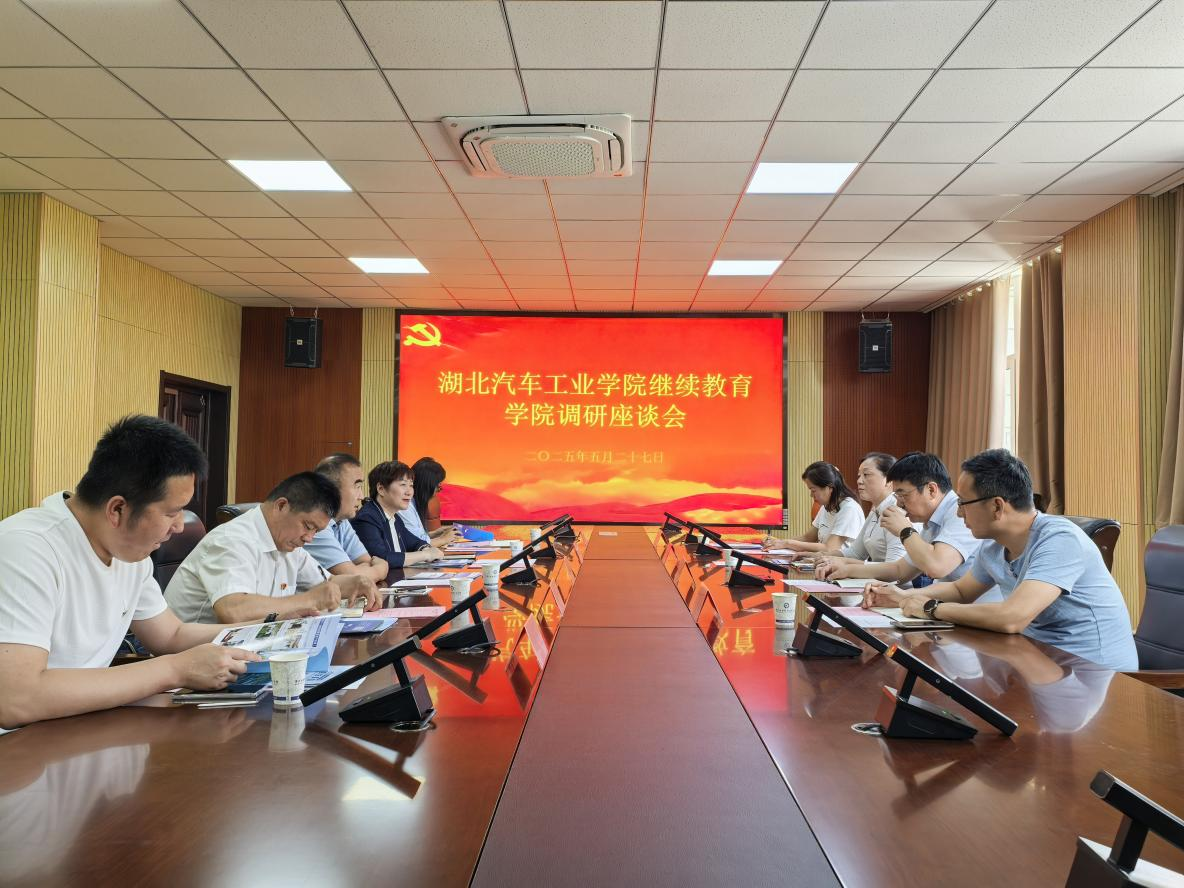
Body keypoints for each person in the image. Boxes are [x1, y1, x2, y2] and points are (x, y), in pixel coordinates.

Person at [0, 415, 263, 730]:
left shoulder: (130, 554)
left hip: (78, 729)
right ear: (117, 510)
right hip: (18, 745)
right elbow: (16, 699)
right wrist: (174, 670)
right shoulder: (27, 549)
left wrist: (267, 631)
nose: (180, 526)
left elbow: (170, 635)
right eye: (172, 512)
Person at [863, 449, 1138, 671]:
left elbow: (1011, 618)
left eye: (963, 503)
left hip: (1093, 672)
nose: (958, 514)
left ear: (997, 506)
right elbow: (960, 590)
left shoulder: (1060, 539)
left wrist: (930, 608)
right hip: (1036, 658)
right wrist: (901, 597)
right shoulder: (994, 544)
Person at [165, 472, 379, 623]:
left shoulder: (289, 544)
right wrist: (309, 599)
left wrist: (358, 582)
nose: (309, 538)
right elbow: (233, 610)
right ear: (281, 506)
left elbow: (328, 583)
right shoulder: (232, 540)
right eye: (308, 526)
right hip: (188, 656)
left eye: (316, 531)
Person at [815, 451, 985, 589]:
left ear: (931, 490)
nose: (898, 503)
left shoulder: (959, 513)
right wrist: (847, 569)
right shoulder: (931, 522)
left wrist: (905, 531)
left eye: (903, 495)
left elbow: (936, 566)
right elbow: (899, 570)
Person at [814, 452, 916, 576]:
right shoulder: (876, 510)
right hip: (876, 582)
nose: (859, 481)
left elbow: (894, 569)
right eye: (859, 475)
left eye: (866, 475)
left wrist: (844, 564)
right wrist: (823, 557)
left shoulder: (897, 512)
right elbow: (856, 553)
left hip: (893, 585)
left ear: (889, 480)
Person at [304, 453, 389, 582]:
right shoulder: (314, 526)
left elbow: (366, 561)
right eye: (357, 487)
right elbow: (353, 577)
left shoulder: (341, 521)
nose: (361, 496)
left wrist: (364, 571)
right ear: (330, 489)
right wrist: (382, 568)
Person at [352, 461, 444, 568]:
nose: (409, 492)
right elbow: (381, 558)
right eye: (403, 485)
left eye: (411, 485)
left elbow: (414, 542)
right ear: (381, 489)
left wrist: (426, 549)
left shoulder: (395, 517)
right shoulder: (367, 518)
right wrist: (426, 555)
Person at [764, 461, 864, 554]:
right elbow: (807, 538)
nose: (811, 495)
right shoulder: (827, 506)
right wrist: (779, 542)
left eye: (813, 490)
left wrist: (787, 543)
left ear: (829, 487)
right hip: (824, 562)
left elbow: (829, 548)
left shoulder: (849, 509)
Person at [402, 456, 460, 546]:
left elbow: (417, 537)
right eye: (437, 484)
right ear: (427, 484)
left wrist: (436, 533)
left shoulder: (413, 503)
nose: (440, 488)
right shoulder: (405, 507)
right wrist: (443, 539)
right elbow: (417, 544)